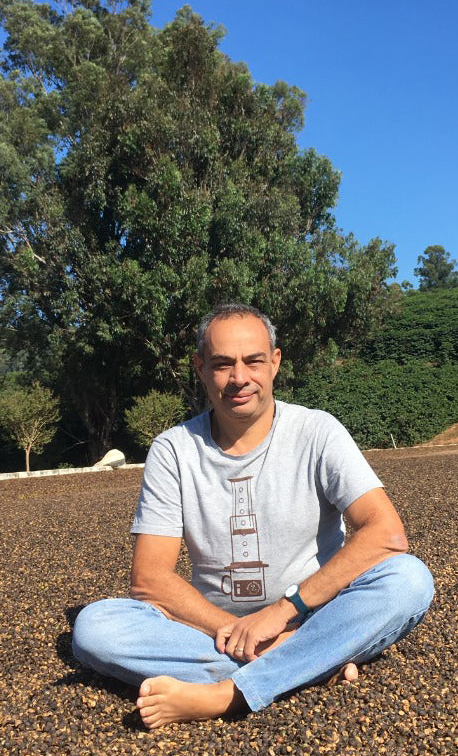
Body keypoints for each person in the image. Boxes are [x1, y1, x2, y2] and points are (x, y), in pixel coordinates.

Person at [72, 304, 434, 729]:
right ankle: (311, 660)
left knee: (408, 579)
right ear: (200, 368)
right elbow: (149, 579)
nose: (239, 378)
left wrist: (283, 612)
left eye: (253, 361)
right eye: (223, 364)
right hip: (214, 630)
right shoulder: (173, 450)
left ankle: (227, 695)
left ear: (275, 362)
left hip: (313, 614)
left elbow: (386, 534)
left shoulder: (317, 432)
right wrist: (246, 634)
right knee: (95, 627)